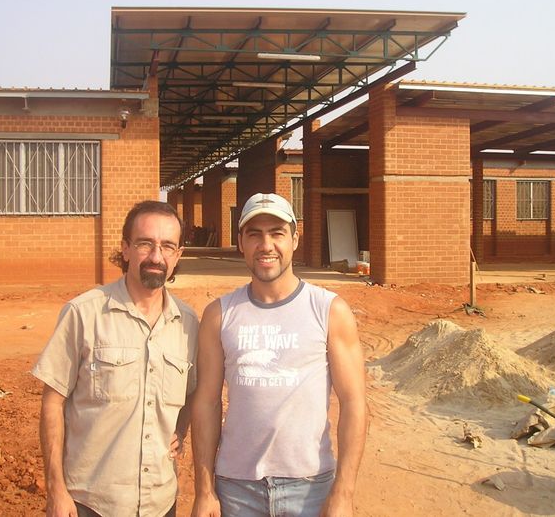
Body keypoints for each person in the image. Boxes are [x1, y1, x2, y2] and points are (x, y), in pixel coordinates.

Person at [191, 193, 367, 517]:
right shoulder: (219, 315)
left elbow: (354, 402)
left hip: (310, 488)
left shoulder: (328, 311)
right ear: (241, 241)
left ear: (295, 239)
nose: (266, 245)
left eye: (277, 232)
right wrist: (204, 490)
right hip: (235, 488)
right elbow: (206, 402)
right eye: (254, 234)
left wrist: (343, 493)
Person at [32, 200, 199, 517]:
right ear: (125, 249)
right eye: (145, 244)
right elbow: (52, 402)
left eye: (167, 247)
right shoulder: (84, 314)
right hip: (92, 503)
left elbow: (193, 392)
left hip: (160, 503)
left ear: (177, 256)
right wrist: (55, 490)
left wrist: (182, 427)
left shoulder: (188, 325)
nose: (155, 257)